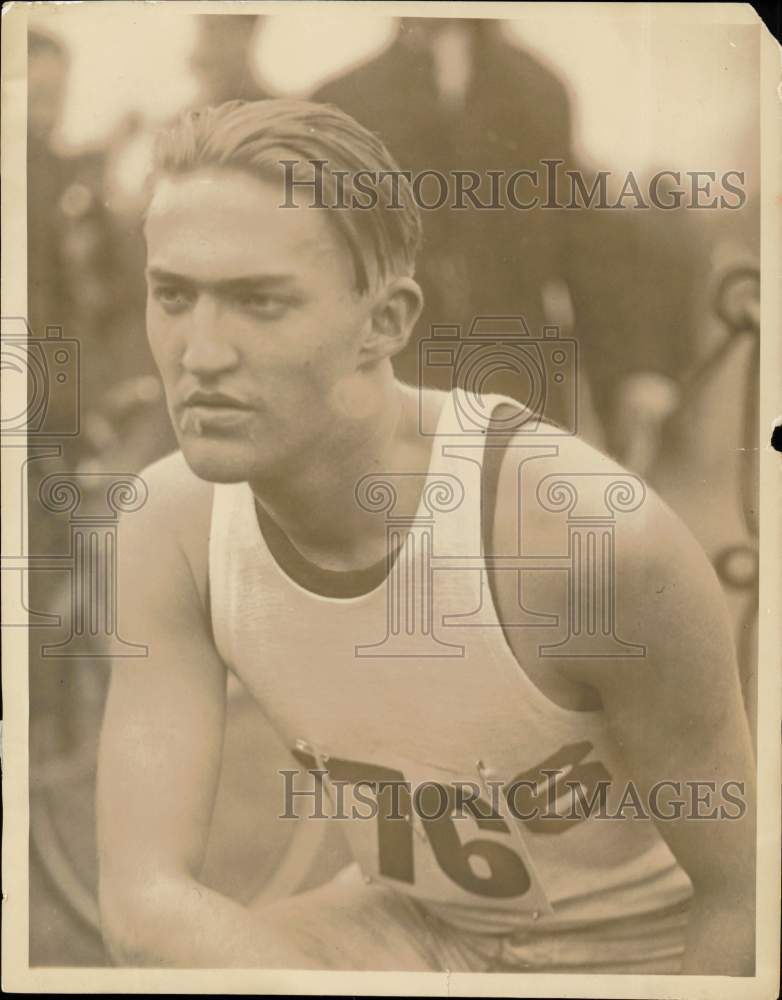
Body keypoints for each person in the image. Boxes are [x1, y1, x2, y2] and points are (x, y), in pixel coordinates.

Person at [96, 99, 755, 974]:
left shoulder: (590, 539)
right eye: (173, 295)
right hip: (417, 932)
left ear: (386, 322)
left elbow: (746, 899)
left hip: (647, 951)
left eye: (259, 302)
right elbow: (144, 902)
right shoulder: (167, 523)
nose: (200, 352)